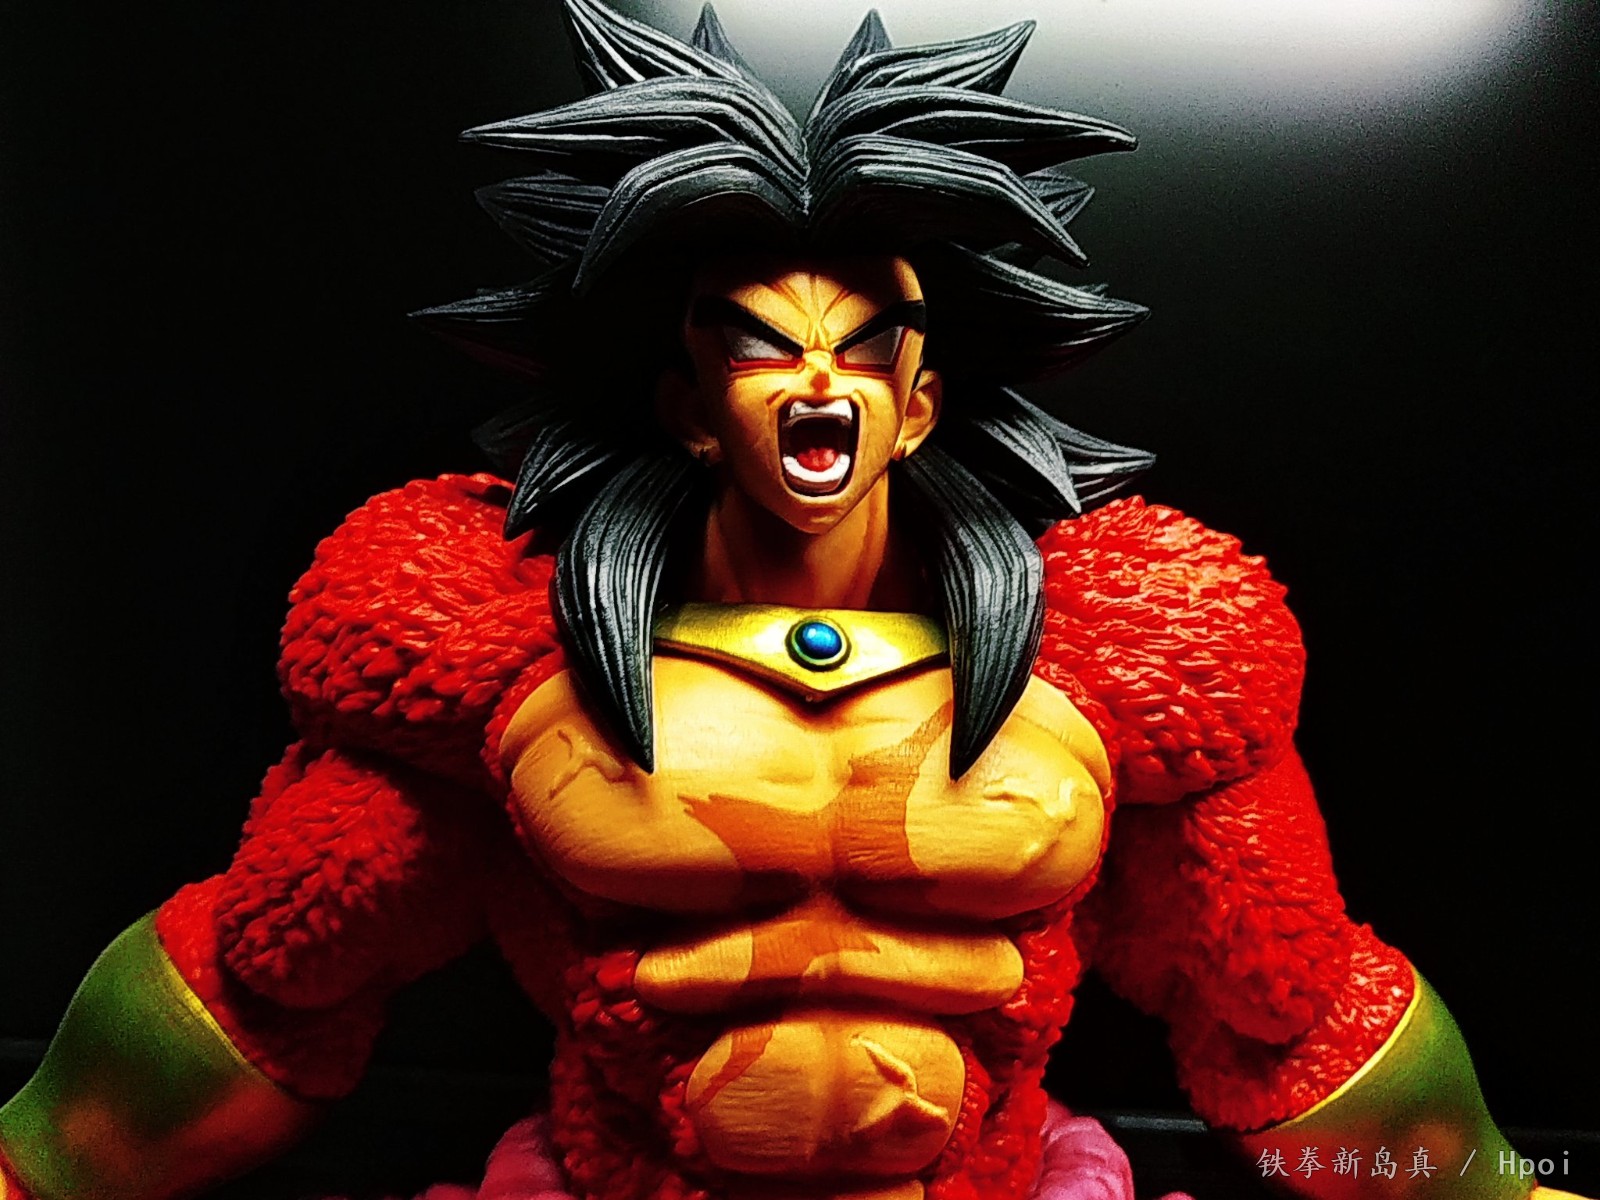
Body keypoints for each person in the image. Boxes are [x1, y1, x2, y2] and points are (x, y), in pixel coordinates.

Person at [0, 3, 1581, 1199]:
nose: (816, 374)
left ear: (921, 399)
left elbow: (1283, 993)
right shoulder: (496, 654)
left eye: (864, 341)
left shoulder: (1117, 657)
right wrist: (39, 1165)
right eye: (756, 339)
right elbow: (280, 960)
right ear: (688, 405)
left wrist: (1488, 1191)